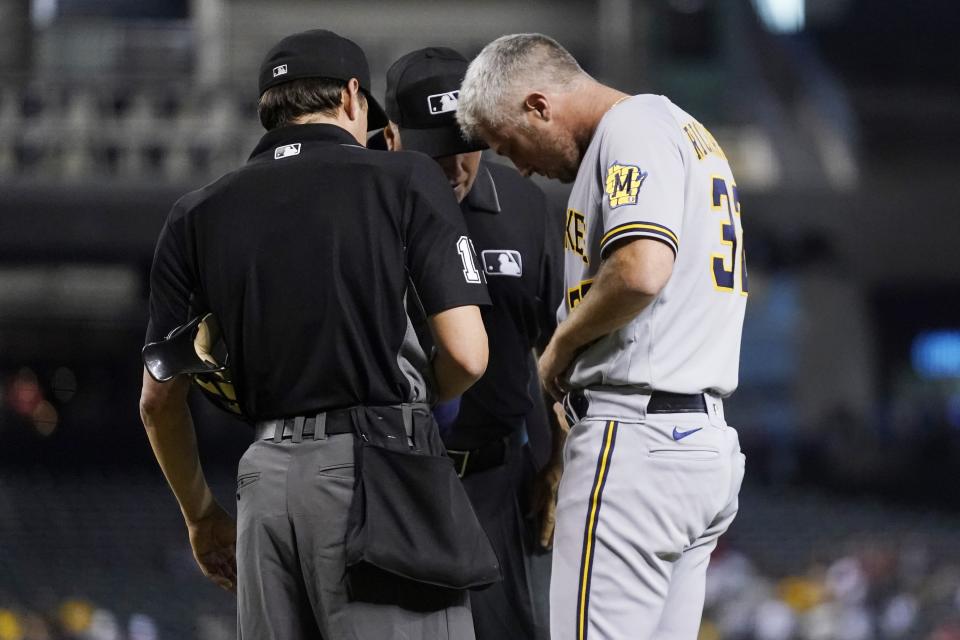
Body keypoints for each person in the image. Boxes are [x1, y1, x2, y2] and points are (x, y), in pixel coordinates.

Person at [138, 29, 491, 639]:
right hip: (377, 471)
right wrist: (414, 401)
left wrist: (201, 515)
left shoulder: (196, 212)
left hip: (264, 483)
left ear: (268, 112)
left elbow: (157, 399)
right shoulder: (404, 179)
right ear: (353, 97)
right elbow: (469, 353)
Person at [458, 34, 748, 639]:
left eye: (510, 144)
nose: (521, 168)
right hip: (698, 442)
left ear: (539, 106)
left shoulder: (632, 127)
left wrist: (559, 345)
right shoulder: (683, 130)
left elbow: (641, 269)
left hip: (638, 444)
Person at [379, 47, 564, 640]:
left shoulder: (525, 206)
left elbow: (552, 348)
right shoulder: (360, 207)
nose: (455, 167)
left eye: (467, 146)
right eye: (434, 152)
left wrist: (556, 462)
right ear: (390, 137)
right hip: (388, 477)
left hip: (494, 479)